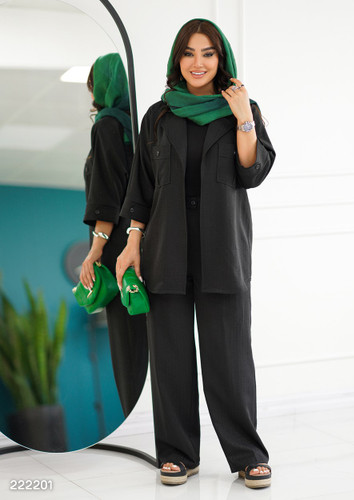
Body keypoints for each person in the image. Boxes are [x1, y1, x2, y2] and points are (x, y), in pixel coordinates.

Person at [116, 19, 276, 489]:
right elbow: (141, 189)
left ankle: (247, 454)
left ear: (220, 58)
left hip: (223, 250)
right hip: (165, 250)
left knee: (230, 357)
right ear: (177, 60)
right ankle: (177, 454)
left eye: (208, 53)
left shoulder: (241, 109)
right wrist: (131, 244)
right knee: (170, 359)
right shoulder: (158, 116)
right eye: (188, 53)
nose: (198, 62)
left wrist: (243, 114)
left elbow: (253, 171)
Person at [79, 53, 148, 418]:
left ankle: (134, 421)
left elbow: (107, 194)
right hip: (145, 242)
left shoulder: (107, 124)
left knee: (127, 346)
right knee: (148, 338)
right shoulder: (139, 126)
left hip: (119, 248)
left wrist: (95, 250)